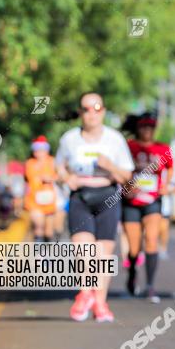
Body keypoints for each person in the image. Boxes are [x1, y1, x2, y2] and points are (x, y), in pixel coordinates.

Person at [56, 92, 134, 322]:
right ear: (80, 113)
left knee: (102, 256)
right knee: (83, 252)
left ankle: (100, 303)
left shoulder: (115, 140)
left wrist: (110, 166)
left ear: (103, 111)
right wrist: (65, 178)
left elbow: (127, 175)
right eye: (86, 108)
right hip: (80, 196)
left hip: (107, 195)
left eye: (97, 107)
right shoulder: (69, 139)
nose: (92, 113)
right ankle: (86, 293)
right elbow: (59, 166)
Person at [121, 112, 173, 302]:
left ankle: (150, 285)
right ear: (138, 129)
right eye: (144, 127)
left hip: (153, 200)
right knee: (134, 248)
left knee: (152, 239)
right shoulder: (129, 147)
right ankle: (133, 274)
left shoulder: (163, 148)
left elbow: (170, 167)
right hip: (131, 202)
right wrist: (126, 187)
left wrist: (166, 185)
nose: (147, 131)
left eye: (151, 127)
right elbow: (121, 169)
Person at [24, 136, 58, 242]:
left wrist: (51, 179)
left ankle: (47, 255)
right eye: (37, 150)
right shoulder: (30, 163)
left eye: (42, 150)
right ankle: (39, 256)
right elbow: (28, 179)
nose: (39, 153)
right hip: (34, 201)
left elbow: (59, 176)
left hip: (49, 201)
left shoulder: (53, 162)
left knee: (49, 231)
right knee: (38, 227)